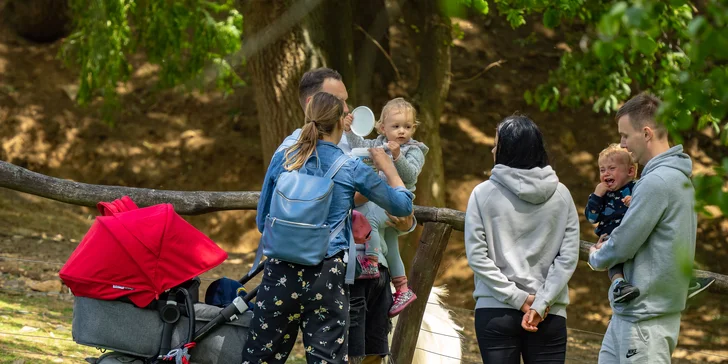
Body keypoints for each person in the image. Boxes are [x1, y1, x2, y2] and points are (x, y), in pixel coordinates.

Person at [241, 92, 414, 364]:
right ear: (340, 124)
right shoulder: (350, 167)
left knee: (261, 358)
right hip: (326, 277)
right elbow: (402, 206)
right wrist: (388, 168)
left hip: (279, 273)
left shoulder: (285, 158)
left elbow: (263, 221)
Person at [589, 93, 698, 363]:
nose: (623, 145)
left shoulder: (657, 182)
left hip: (645, 322)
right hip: (633, 315)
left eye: (625, 136)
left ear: (646, 133)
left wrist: (596, 257)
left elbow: (624, 241)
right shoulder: (672, 177)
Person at [465, 115, 579, 364]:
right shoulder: (562, 195)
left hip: (495, 309)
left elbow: (477, 256)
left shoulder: (482, 194)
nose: (492, 149)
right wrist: (541, 301)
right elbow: (568, 258)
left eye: (497, 144)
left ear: (509, 150)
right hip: (548, 313)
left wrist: (518, 299)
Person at [344, 97, 428, 316]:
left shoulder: (414, 149)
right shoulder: (378, 143)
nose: (402, 131)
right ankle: (402, 288)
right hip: (383, 200)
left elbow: (410, 174)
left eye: (407, 127)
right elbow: (359, 146)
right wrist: (350, 131)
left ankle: (370, 261)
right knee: (391, 248)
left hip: (397, 202)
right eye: (396, 126)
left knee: (369, 218)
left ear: (414, 128)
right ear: (382, 127)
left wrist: (397, 156)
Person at [585, 144, 640, 303]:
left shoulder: (637, 188)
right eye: (602, 170)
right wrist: (596, 195)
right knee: (613, 263)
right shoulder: (602, 194)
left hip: (632, 237)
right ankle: (619, 285)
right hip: (609, 239)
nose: (606, 173)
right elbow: (591, 218)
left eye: (611, 168)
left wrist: (635, 201)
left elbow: (646, 209)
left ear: (630, 171)